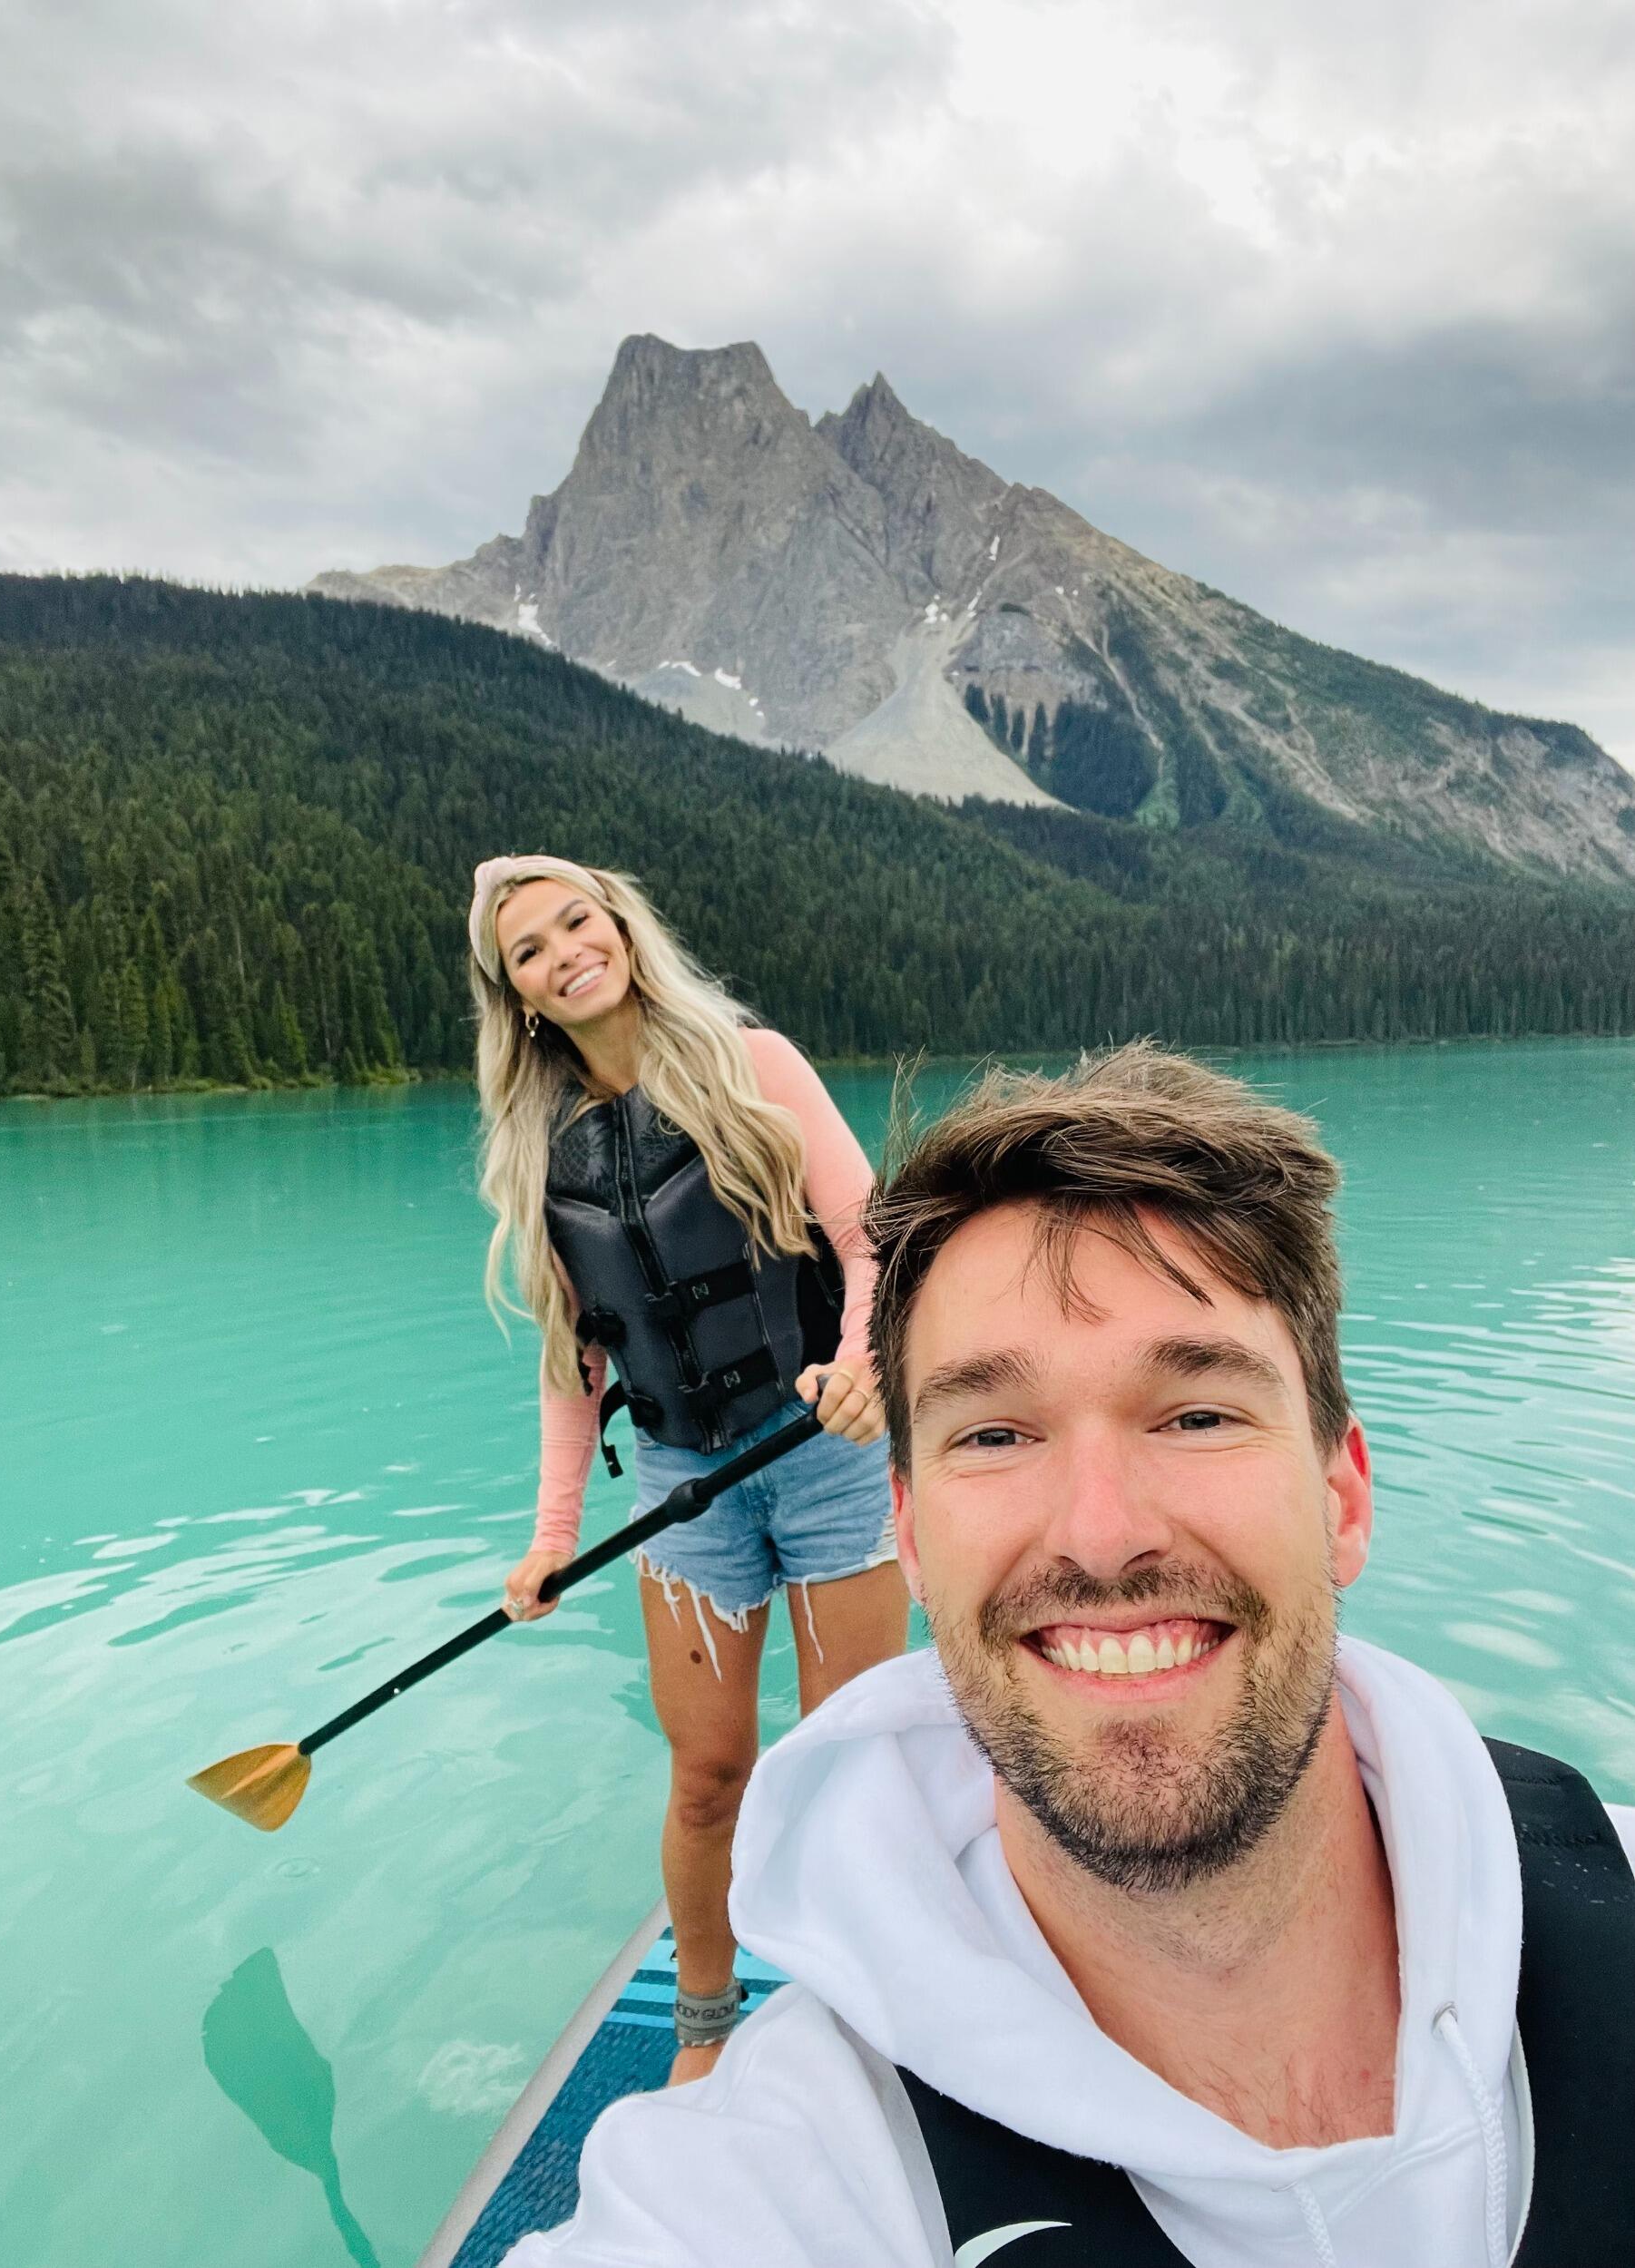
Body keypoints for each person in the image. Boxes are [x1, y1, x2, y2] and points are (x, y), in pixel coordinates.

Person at [503, 1042, 1635, 2265]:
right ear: (911, 1539)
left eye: (1196, 1414)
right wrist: (554, 1533)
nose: (1101, 1535)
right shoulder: (765, 2177)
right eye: (995, 1434)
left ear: (1343, 1496)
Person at [467, 853, 908, 2082]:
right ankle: (705, 2033)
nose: (565, 953)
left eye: (577, 922)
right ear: (518, 996)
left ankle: (859, 2020)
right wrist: (553, 1535)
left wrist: (866, 1364)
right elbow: (572, 1363)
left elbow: (871, 1241)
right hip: (682, 1492)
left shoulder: (752, 1064)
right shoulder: (537, 1152)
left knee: (846, 1765)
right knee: (710, 1775)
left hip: (826, 1458)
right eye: (531, 951)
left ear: (620, 925)